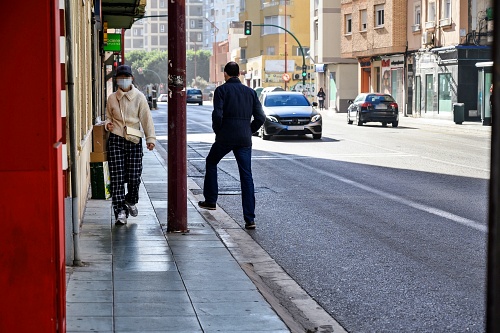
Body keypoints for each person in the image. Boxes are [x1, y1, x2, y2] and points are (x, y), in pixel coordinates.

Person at [198, 61, 266, 230]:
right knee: (246, 176)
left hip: (226, 136)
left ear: (225, 74)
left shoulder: (221, 91)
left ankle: (211, 200)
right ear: (239, 74)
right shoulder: (250, 93)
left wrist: (219, 132)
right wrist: (249, 130)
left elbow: (217, 115)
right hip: (244, 138)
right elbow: (260, 117)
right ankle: (250, 219)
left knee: (211, 162)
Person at [104, 65, 156, 225]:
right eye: (120, 77)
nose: (123, 80)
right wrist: (108, 125)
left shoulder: (139, 97)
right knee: (117, 177)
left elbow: (147, 119)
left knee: (134, 177)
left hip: (134, 140)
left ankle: (131, 200)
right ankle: (120, 211)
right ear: (116, 80)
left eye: (126, 77)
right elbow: (108, 117)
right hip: (116, 139)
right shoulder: (112, 98)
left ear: (132, 78)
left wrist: (150, 138)